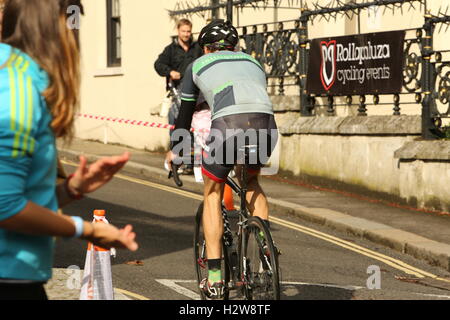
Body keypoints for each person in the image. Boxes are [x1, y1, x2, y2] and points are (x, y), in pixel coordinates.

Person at [0, 0, 138, 300]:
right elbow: (5, 206)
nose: (75, 38)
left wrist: (73, 188)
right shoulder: (17, 88)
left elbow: (16, 195)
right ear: (52, 27)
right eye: (71, 24)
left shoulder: (12, 75)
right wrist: (87, 230)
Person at [165, 20, 278, 299]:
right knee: (251, 181)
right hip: (266, 125)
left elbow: (185, 115)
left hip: (227, 126)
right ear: (233, 46)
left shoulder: (197, 65)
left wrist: (177, 151)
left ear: (205, 47)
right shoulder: (253, 62)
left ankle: (215, 278)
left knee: (213, 193)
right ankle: (264, 252)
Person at [154, 18, 202, 142]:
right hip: (176, 94)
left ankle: (193, 153)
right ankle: (177, 154)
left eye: (188, 31)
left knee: (194, 124)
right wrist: (170, 72)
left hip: (194, 93)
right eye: (183, 31)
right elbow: (158, 64)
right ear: (178, 31)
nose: (186, 34)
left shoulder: (197, 48)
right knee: (175, 125)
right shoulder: (170, 49)